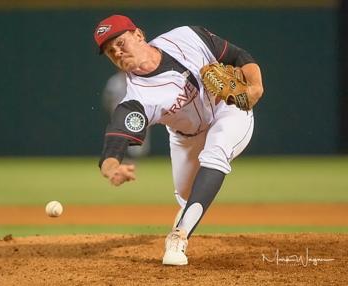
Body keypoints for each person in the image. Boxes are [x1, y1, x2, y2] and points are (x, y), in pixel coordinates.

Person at [93, 14, 264, 266]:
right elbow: (116, 138)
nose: (117, 52)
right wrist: (111, 168)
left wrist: (255, 88)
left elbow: (238, 56)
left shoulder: (187, 36)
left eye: (120, 43)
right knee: (187, 196)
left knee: (216, 150)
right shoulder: (137, 98)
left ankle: (179, 237)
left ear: (139, 35)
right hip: (186, 140)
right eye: (110, 51)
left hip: (227, 112)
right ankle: (185, 220)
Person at [102, 71, 151, 157]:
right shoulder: (115, 81)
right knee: (119, 139)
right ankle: (121, 158)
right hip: (119, 115)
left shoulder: (139, 80)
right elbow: (107, 98)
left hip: (137, 114)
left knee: (138, 144)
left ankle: (139, 159)